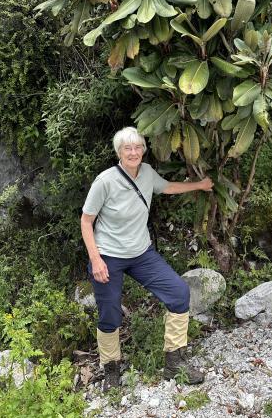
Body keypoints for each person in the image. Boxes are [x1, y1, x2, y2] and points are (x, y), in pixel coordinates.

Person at [81, 126, 214, 392]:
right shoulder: (105, 181)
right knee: (110, 315)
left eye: (137, 147)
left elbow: (167, 187)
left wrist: (199, 185)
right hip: (109, 255)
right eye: (127, 148)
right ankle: (111, 368)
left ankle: (174, 363)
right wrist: (96, 260)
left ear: (143, 150)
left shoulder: (148, 173)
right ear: (119, 152)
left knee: (178, 293)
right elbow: (86, 221)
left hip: (142, 254)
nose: (133, 152)